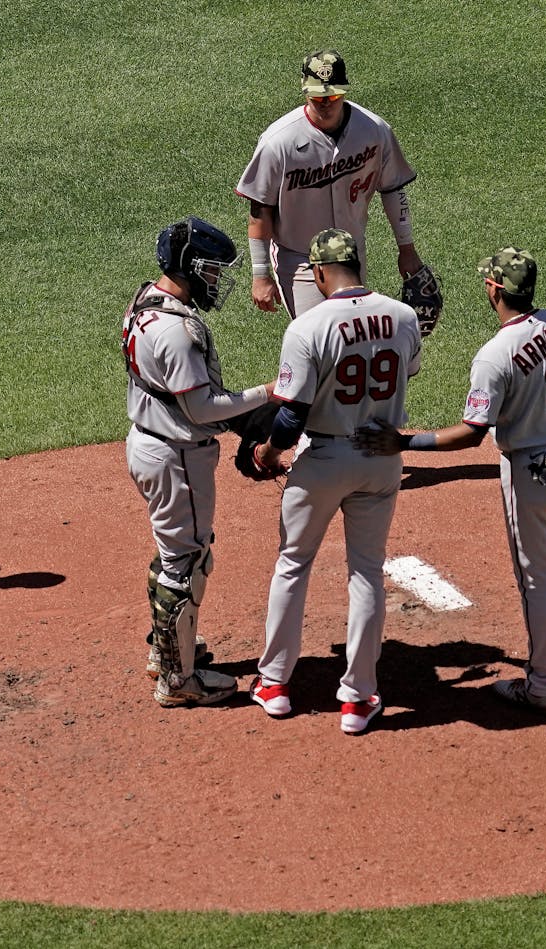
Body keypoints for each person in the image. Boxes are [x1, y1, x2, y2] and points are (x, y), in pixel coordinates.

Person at [352, 247, 546, 711]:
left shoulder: (494, 355)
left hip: (534, 474)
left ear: (495, 289)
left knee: (536, 582)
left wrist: (404, 443)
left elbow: (472, 434)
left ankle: (541, 686)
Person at [247, 228, 423, 735]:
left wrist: (269, 453)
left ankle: (275, 684)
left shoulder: (309, 326)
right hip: (381, 456)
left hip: (323, 459)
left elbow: (289, 418)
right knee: (366, 571)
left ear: (320, 273)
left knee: (293, 564)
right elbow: (404, 372)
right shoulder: (403, 316)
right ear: (358, 264)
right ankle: (358, 698)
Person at [123, 217, 275, 707]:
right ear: (188, 266)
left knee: (177, 555)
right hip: (176, 455)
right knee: (187, 563)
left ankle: (165, 653)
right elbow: (202, 409)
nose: (216, 280)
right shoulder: (180, 331)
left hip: (151, 444)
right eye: (210, 269)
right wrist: (265, 394)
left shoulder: (144, 302)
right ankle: (177, 679)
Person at [237, 49, 430, 320]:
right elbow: (260, 210)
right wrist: (260, 273)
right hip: (300, 259)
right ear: (305, 91)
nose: (326, 102)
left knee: (353, 333)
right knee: (320, 337)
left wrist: (407, 250)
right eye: (318, 96)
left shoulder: (374, 130)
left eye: (334, 95)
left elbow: (392, 189)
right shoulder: (279, 141)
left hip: (351, 253)